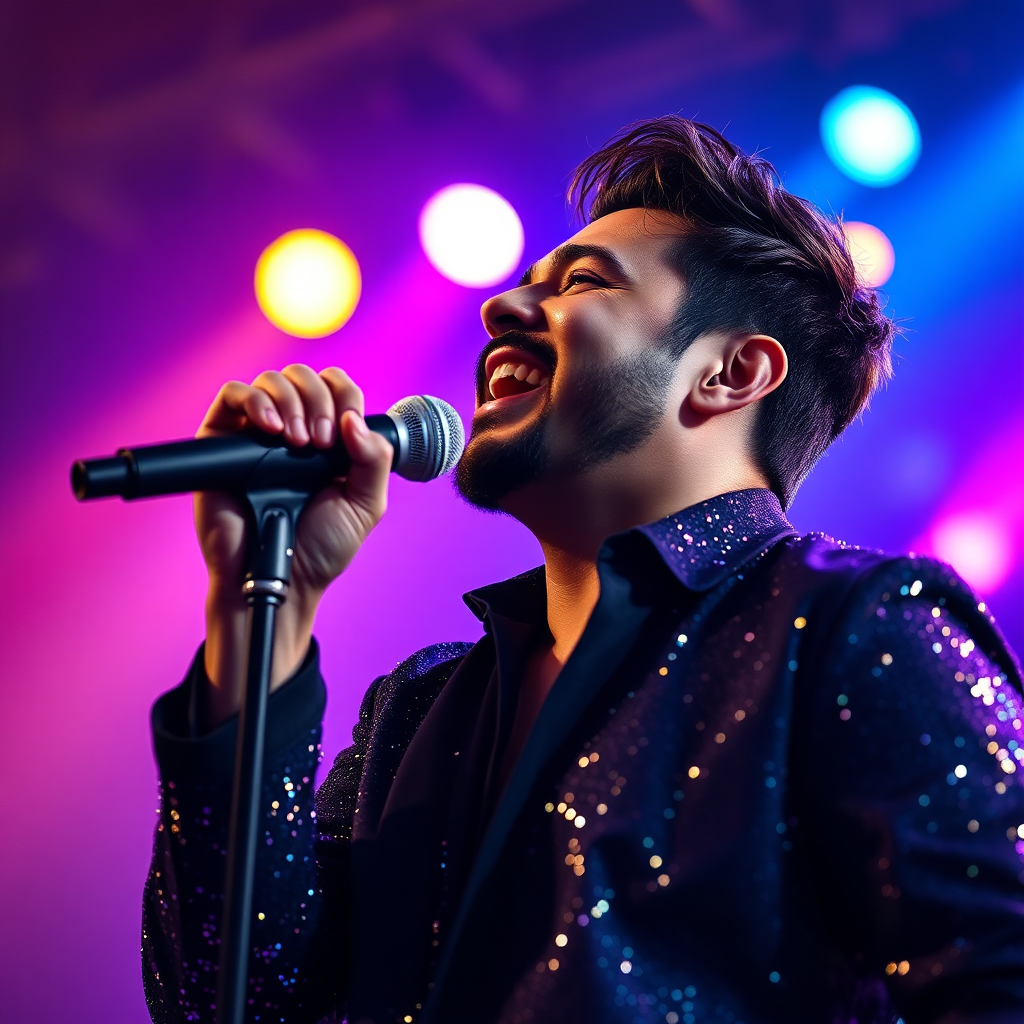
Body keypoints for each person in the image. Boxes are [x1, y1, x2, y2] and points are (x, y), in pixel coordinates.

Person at [142, 118, 1024, 1024]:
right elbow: (230, 999)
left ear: (729, 371)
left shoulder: (855, 629)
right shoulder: (419, 709)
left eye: (585, 283)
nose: (500, 308)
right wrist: (262, 610)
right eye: (527, 283)